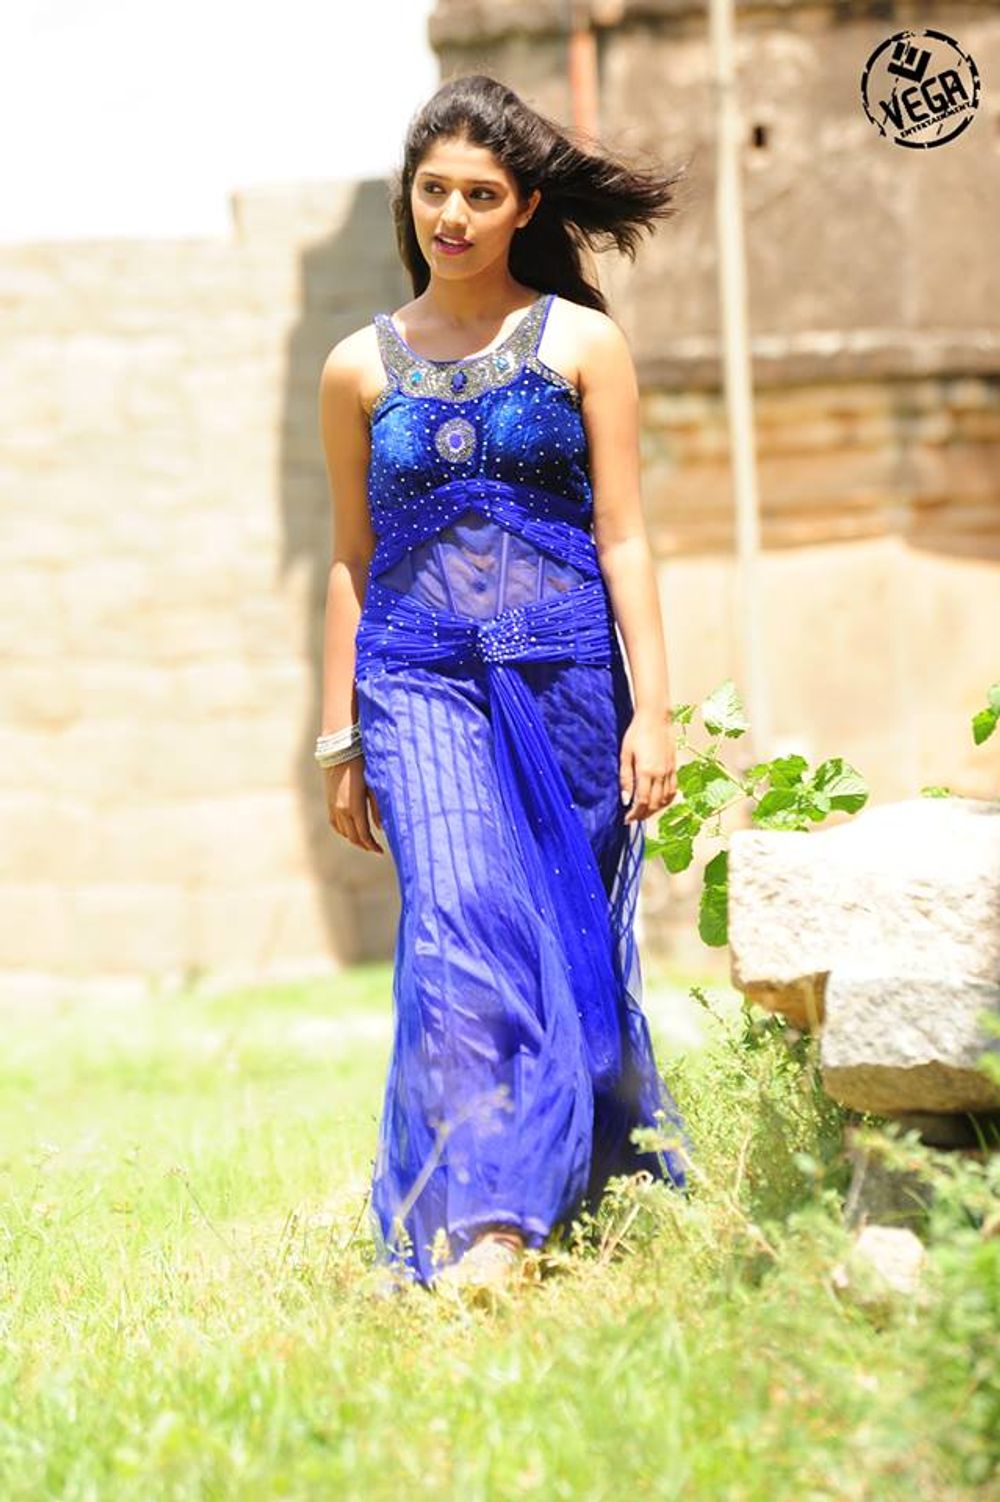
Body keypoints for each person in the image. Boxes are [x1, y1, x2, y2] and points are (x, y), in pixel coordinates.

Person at [316, 73, 694, 1298]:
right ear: (409, 197)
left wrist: (654, 707)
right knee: (459, 913)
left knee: (559, 935)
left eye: (480, 195)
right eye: (435, 190)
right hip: (415, 678)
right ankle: (489, 1222)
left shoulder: (582, 343)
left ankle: (569, 1174)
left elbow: (623, 535)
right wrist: (338, 737)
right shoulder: (356, 366)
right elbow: (350, 558)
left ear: (525, 205)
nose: (453, 215)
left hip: (568, 675)